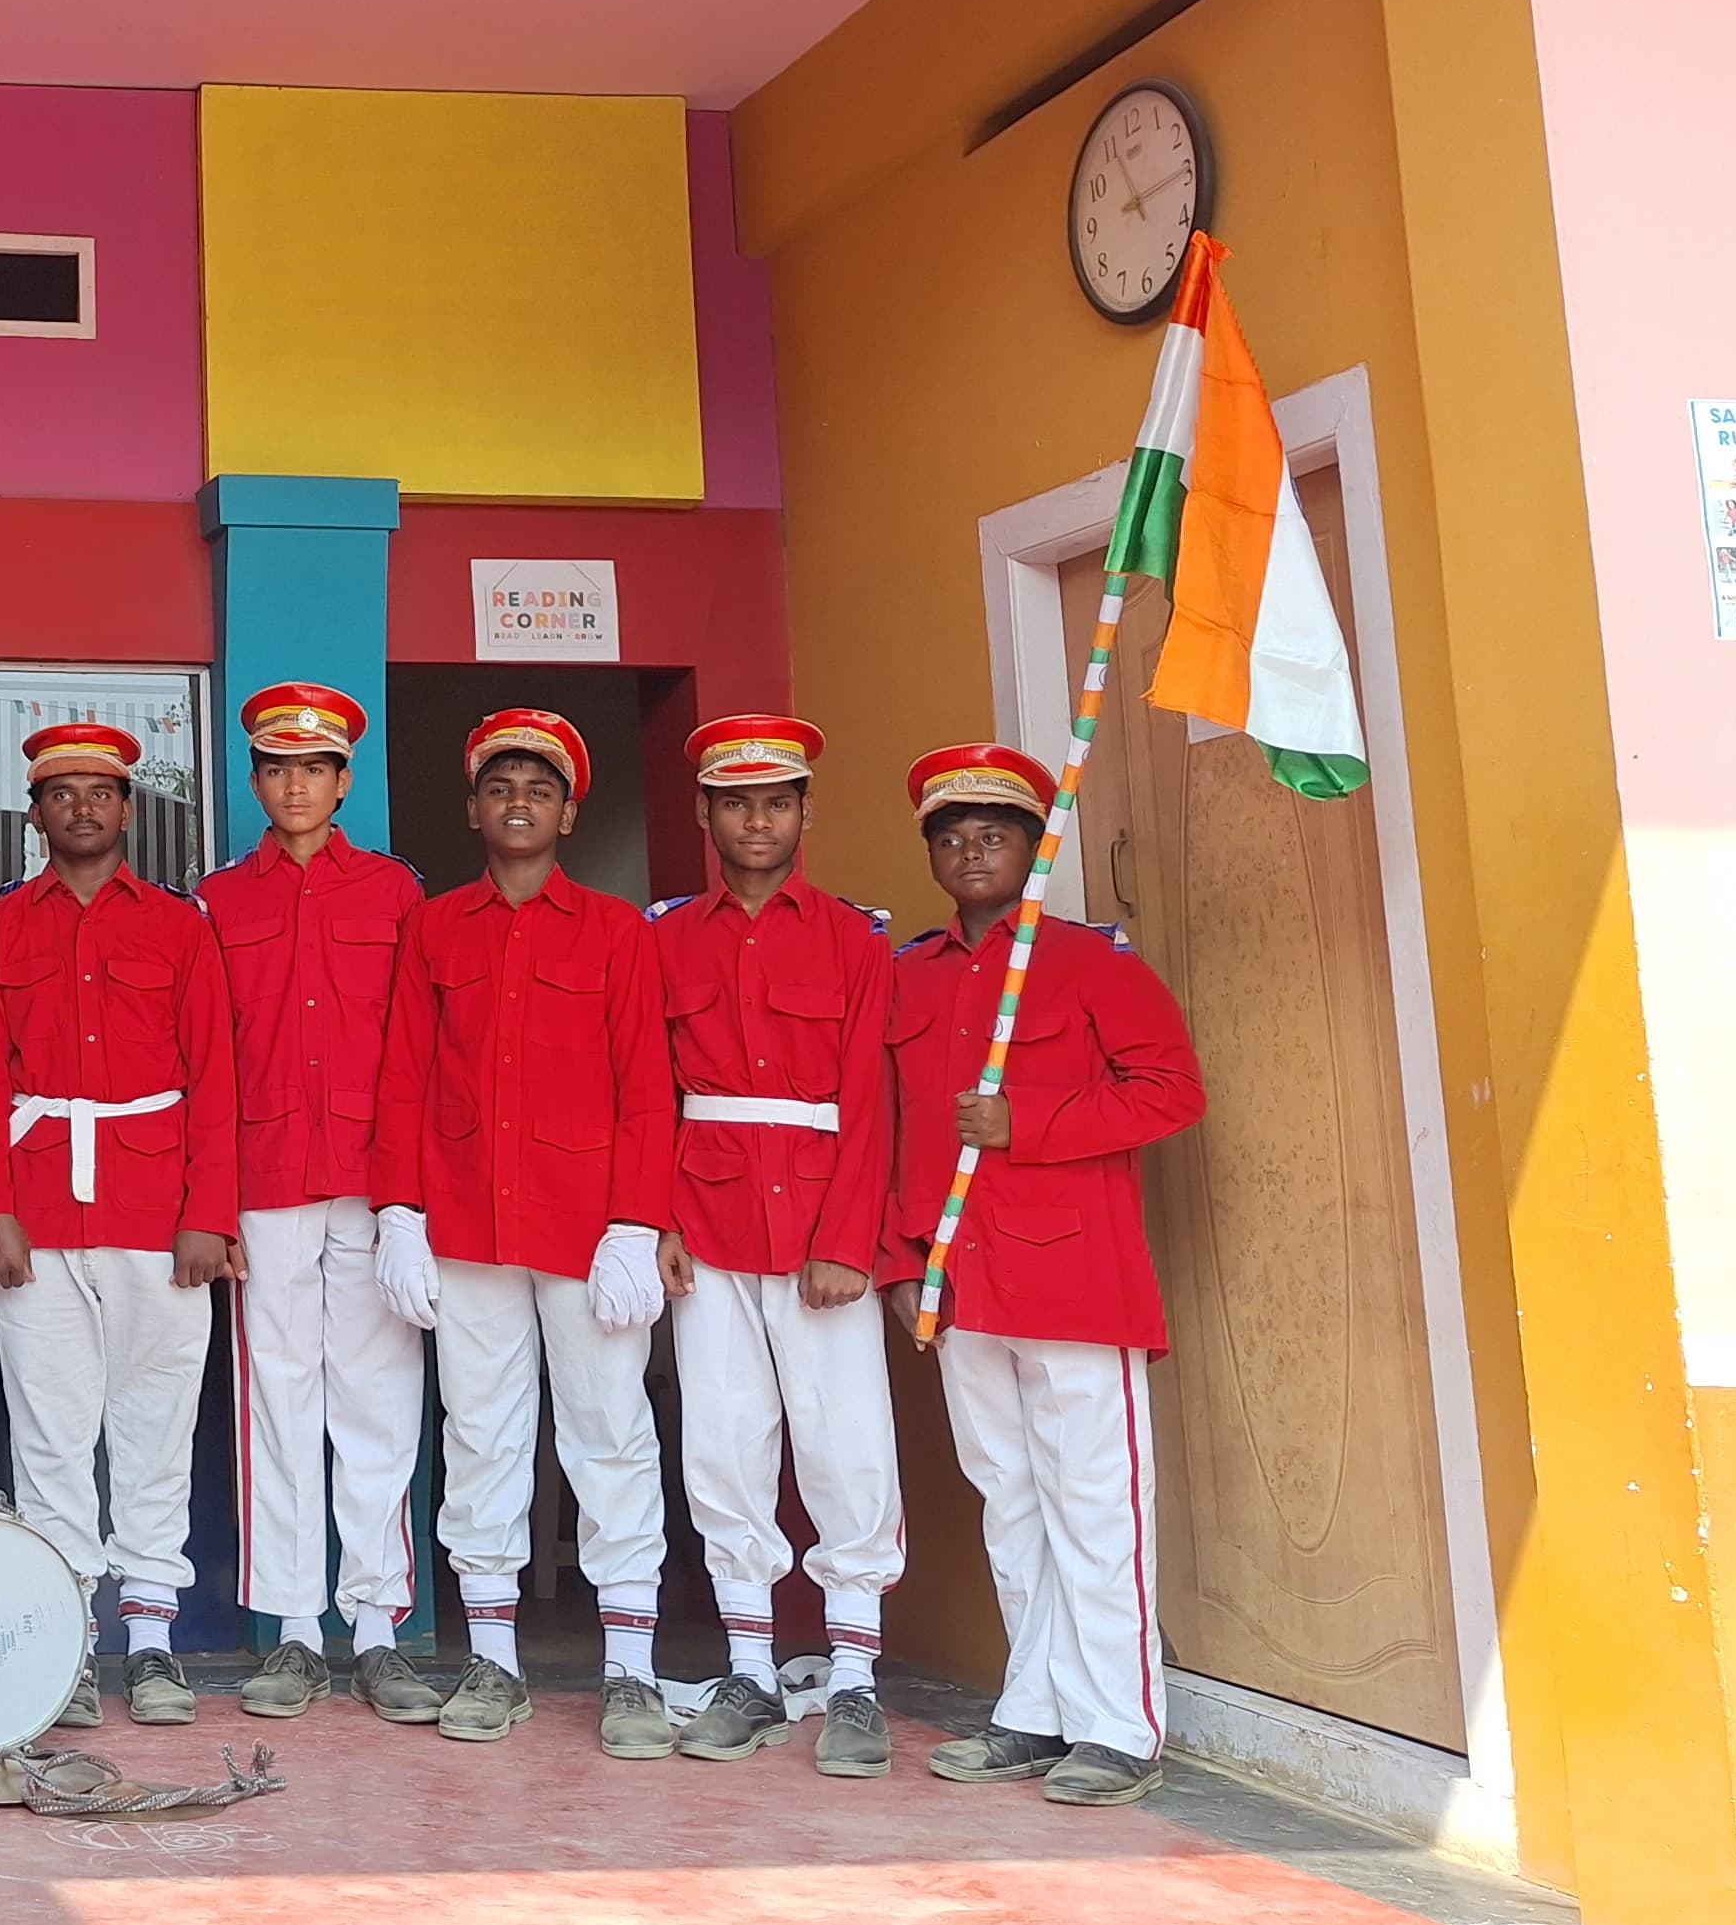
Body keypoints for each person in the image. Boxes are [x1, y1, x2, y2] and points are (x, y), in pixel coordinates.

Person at [883, 742, 1204, 1809]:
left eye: (995, 835)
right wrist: (904, 1259)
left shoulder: (1088, 964)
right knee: (1009, 1501)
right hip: (961, 1278)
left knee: (1096, 1505)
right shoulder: (912, 976)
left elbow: (1171, 1091)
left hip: (1075, 1279)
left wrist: (1029, 1120)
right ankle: (1037, 1708)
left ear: (1033, 848)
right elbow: (899, 1131)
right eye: (952, 837)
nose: (972, 852)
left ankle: (1120, 1724)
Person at [371, 706, 681, 1759]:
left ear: (568, 814)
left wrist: (636, 1223)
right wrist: (399, 1211)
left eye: (539, 790)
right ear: (473, 809)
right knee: (480, 1434)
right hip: (465, 1220)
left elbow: (648, 1087)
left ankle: (631, 1668)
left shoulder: (616, 931)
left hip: (585, 1226)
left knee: (609, 1433)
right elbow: (405, 1076)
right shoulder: (434, 929)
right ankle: (493, 1659)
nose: (518, 805)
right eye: (500, 788)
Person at [0, 721, 238, 1733]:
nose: (82, 808)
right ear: (35, 812)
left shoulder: (179, 927)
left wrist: (209, 1213)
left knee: (156, 1430)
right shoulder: (0, 928)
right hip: (37, 1212)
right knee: (50, 1436)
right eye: (62, 793)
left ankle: (152, 1640)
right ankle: (65, 1640)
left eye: (101, 793)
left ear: (127, 809)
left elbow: (216, 1074)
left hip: (156, 1210)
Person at [647, 713, 902, 1778]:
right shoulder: (666, 938)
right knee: (722, 1444)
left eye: (777, 803)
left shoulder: (853, 938)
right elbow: (649, 1091)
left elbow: (874, 1105)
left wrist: (849, 1239)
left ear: (803, 813)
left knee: (848, 1447)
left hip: (820, 1232)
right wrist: (660, 1218)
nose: (758, 821)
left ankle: (856, 1679)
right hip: (706, 1222)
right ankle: (750, 1668)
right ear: (707, 815)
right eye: (738, 804)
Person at [198, 682, 437, 1726]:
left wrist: (411, 1201)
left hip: (373, 1179)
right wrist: (213, 1202)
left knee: (379, 1399)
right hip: (266, 1179)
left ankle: (378, 1626)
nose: (296, 785)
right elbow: (206, 1063)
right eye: (278, 768)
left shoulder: (395, 893)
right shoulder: (218, 902)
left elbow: (421, 1052)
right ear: (255, 782)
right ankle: (295, 1628)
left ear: (344, 782)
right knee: (278, 1404)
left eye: (315, 768)